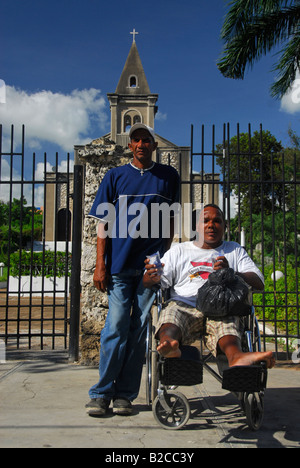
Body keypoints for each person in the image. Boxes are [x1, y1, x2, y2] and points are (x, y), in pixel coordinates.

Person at [86, 123, 180, 416]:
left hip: (150, 268)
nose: (141, 144)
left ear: (154, 145)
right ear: (131, 145)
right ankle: (101, 393)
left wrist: (164, 259)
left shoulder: (168, 177)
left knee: (140, 331)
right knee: (115, 327)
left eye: (146, 140)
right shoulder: (115, 176)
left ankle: (125, 395)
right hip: (118, 266)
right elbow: (102, 224)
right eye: (136, 140)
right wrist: (100, 264)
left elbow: (171, 221)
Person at [143, 204, 275, 370]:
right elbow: (150, 282)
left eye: (217, 221)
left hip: (221, 308)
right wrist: (150, 276)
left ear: (224, 226)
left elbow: (259, 282)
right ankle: (169, 345)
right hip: (185, 304)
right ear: (196, 226)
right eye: (205, 221)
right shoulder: (179, 251)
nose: (211, 225)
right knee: (171, 314)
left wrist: (232, 272)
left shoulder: (233, 249)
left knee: (228, 323)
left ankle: (236, 356)